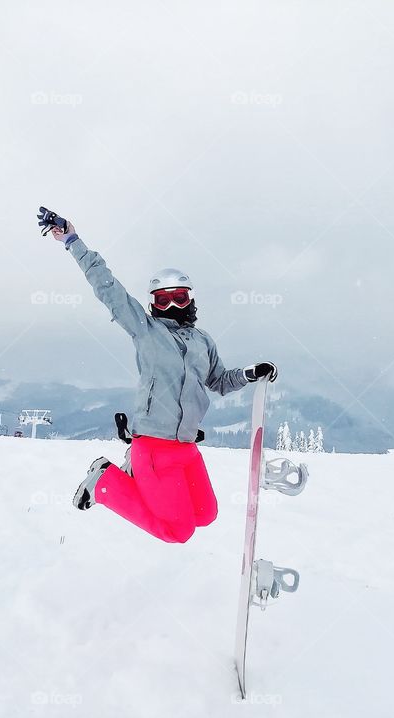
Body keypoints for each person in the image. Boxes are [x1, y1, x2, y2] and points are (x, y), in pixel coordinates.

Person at [40, 208, 276, 544]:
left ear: (190, 299)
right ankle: (104, 481)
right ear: (153, 305)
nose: (171, 307)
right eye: (162, 301)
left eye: (178, 298)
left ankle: (128, 474)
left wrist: (251, 374)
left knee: (205, 515)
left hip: (186, 447)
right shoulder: (146, 331)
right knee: (177, 532)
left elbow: (219, 381)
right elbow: (109, 288)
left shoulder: (201, 340)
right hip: (153, 446)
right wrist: (73, 241)